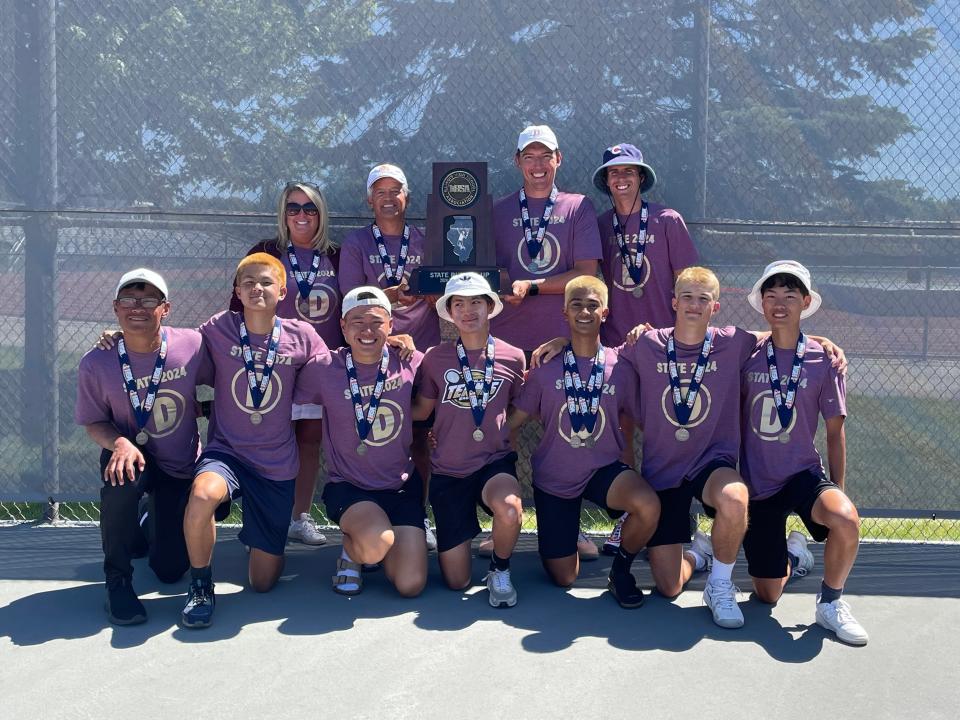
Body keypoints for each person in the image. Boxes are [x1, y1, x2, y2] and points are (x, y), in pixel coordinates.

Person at [181, 253, 329, 628]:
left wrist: (391, 338)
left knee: (262, 582)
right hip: (226, 452)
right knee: (201, 495)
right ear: (237, 291)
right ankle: (200, 585)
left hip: (276, 463)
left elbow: (339, 369)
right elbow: (175, 347)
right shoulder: (219, 327)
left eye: (265, 282)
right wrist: (122, 337)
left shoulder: (302, 335)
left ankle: (258, 532)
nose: (256, 288)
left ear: (282, 290)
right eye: (248, 283)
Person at [736, 261, 867, 645]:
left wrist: (838, 489)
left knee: (846, 519)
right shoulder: (744, 351)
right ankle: (796, 554)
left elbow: (834, 431)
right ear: (761, 302)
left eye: (790, 296)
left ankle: (830, 603)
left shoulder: (825, 359)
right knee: (767, 593)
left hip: (801, 474)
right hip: (757, 483)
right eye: (771, 295)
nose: (780, 304)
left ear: (806, 301)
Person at [490, 124, 604, 560]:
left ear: (559, 159)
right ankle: (503, 523)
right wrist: (498, 286)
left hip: (562, 338)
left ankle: (568, 526)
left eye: (546, 156)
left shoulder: (578, 207)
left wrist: (532, 286)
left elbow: (587, 272)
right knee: (504, 430)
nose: (538, 166)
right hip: (508, 341)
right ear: (517, 162)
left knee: (565, 432)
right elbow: (492, 273)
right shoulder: (498, 211)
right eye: (529, 157)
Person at [510, 276, 660, 607]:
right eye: (576, 304)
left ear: (605, 313)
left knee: (648, 505)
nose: (584, 311)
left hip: (602, 469)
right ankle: (566, 532)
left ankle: (620, 571)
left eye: (593, 305)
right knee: (564, 577)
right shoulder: (545, 366)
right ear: (564, 312)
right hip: (555, 479)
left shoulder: (621, 364)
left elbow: (646, 417)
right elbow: (512, 421)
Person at [76, 269, 205, 625]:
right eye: (129, 301)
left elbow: (225, 369)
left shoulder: (192, 344)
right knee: (120, 478)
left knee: (169, 570)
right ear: (116, 308)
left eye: (149, 300)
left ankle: (144, 517)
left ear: (166, 308)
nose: (138, 308)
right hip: (132, 454)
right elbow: (93, 421)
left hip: (178, 463)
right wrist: (119, 442)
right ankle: (117, 581)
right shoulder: (96, 362)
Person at [591, 143, 700, 554]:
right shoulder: (601, 225)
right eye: (614, 174)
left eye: (629, 173)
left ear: (641, 178)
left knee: (670, 427)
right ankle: (629, 514)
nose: (621, 180)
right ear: (606, 181)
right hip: (618, 343)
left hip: (666, 345)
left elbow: (690, 283)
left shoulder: (668, 220)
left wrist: (673, 332)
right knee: (621, 423)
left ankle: (681, 516)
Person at [230, 181, 341, 547]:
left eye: (310, 208)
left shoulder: (337, 255)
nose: (301, 215)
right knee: (267, 438)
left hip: (316, 363)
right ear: (283, 213)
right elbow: (238, 305)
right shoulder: (265, 251)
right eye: (293, 208)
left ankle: (298, 516)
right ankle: (261, 520)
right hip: (269, 362)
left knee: (309, 439)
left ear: (321, 213)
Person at [297, 287, 427, 597]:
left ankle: (379, 543)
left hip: (400, 488)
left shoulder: (412, 361)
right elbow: (284, 391)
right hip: (351, 487)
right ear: (342, 326)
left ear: (391, 325)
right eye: (356, 322)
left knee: (410, 585)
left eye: (376, 322)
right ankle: (351, 554)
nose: (366, 331)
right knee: (373, 548)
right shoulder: (323, 367)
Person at [338, 163, 440, 549]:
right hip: (374, 353)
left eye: (395, 191)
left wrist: (432, 295)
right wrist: (392, 299)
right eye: (379, 192)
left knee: (420, 437)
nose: (388, 198)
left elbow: (445, 296)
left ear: (406, 197)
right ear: (369, 200)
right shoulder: (357, 243)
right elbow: (351, 299)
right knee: (379, 434)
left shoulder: (426, 240)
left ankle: (419, 515)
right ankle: (369, 517)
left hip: (421, 353)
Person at [411, 273, 526, 607]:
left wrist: (503, 428)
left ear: (490, 306)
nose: (468, 310)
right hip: (448, 469)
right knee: (456, 581)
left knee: (509, 510)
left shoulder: (514, 356)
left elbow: (523, 405)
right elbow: (421, 409)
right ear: (450, 311)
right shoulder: (435, 358)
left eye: (476, 301)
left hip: (494, 462)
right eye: (458, 303)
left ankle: (500, 568)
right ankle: (465, 541)